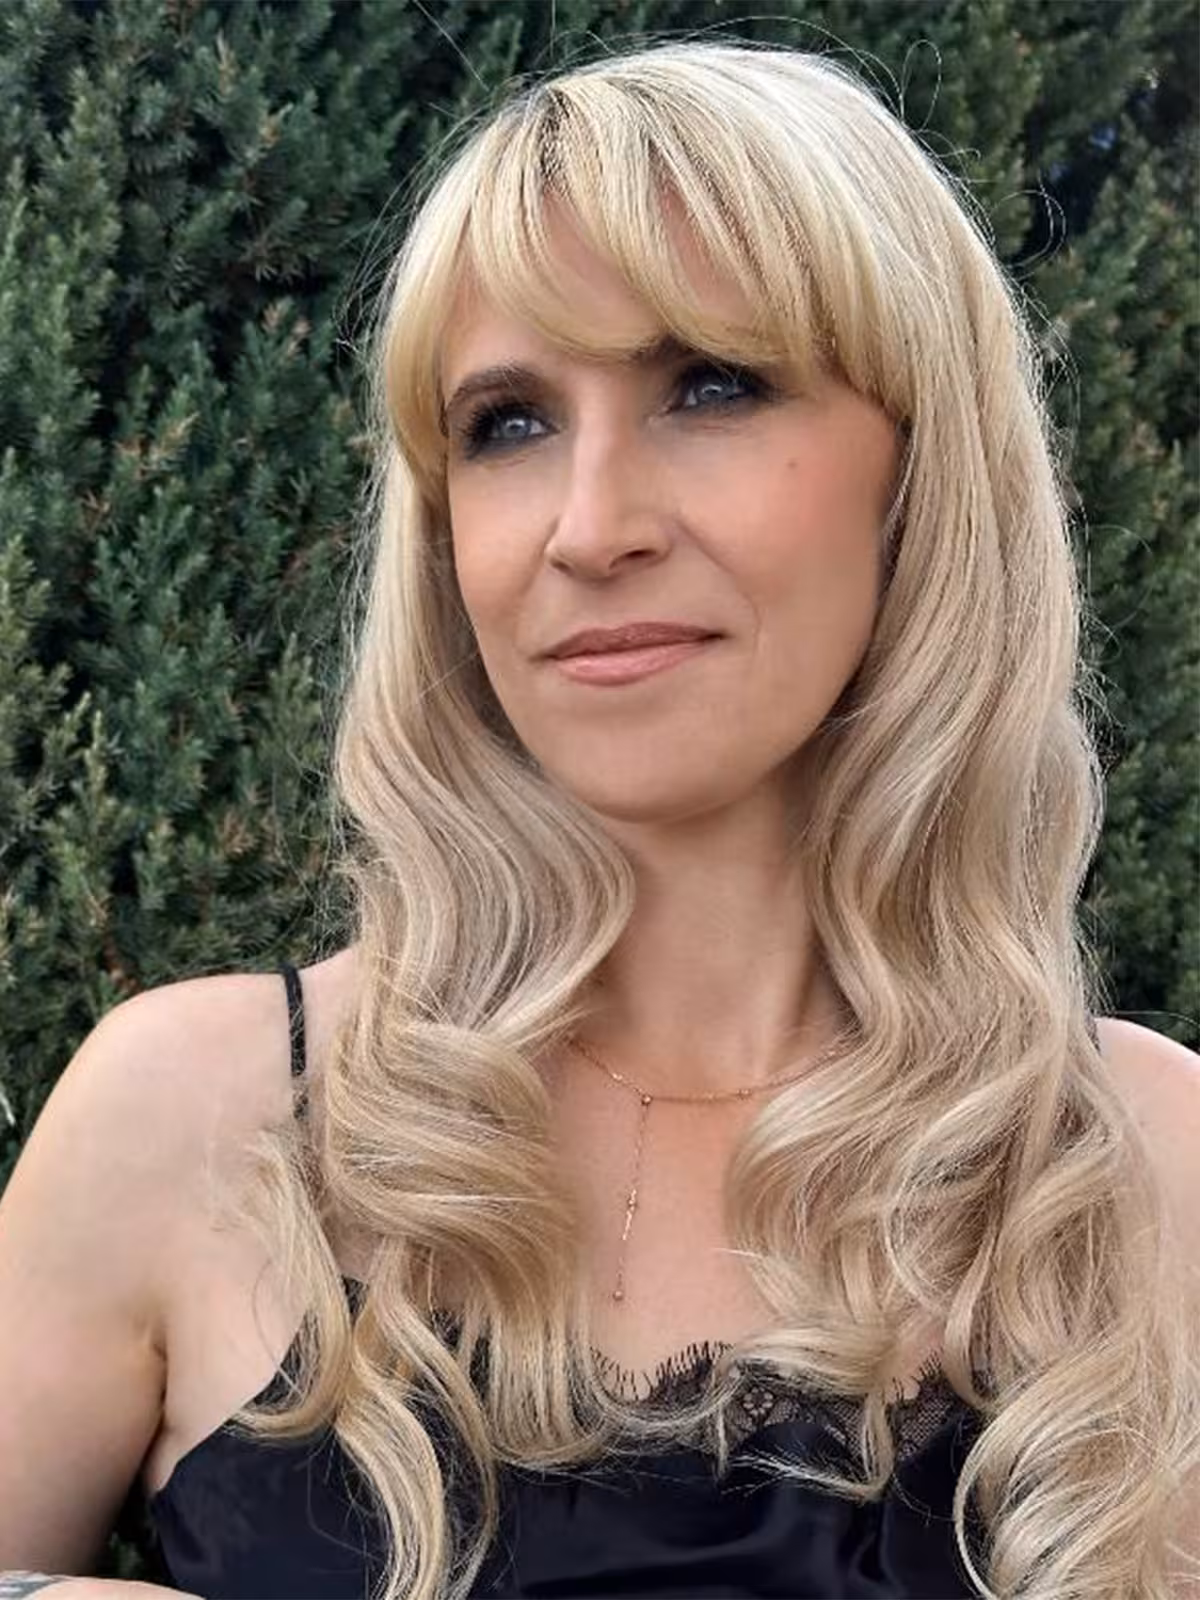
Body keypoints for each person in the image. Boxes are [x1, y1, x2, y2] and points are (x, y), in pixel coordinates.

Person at [1, 36, 1197, 1600]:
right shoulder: (204, 1118)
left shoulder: (1147, 1171)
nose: (589, 527)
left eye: (711, 385)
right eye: (507, 423)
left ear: (924, 472)